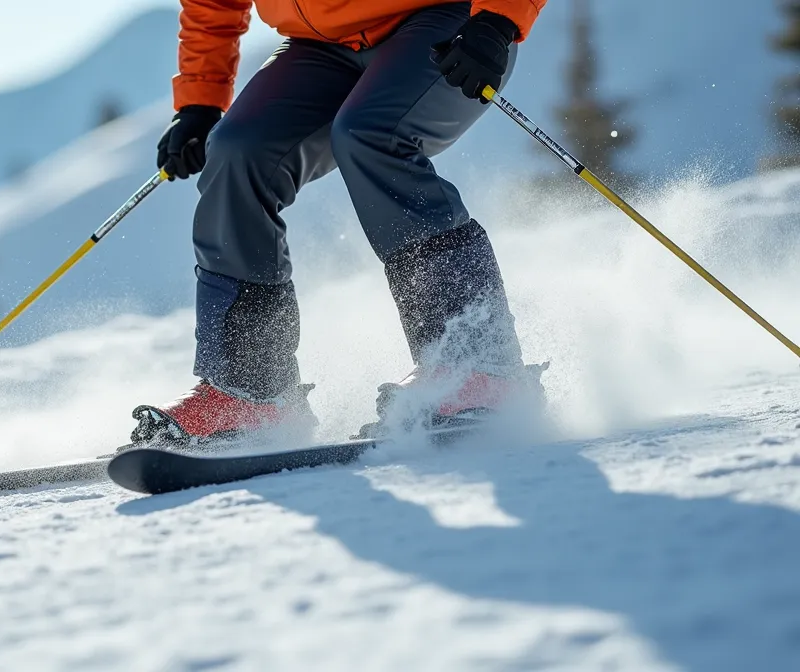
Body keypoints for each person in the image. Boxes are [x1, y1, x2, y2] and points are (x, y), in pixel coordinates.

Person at [130, 0, 548, 445]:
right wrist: (200, 102)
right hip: (320, 45)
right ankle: (251, 392)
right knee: (236, 152)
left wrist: (498, 18)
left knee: (371, 134)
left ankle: (479, 366)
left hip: (445, 22)